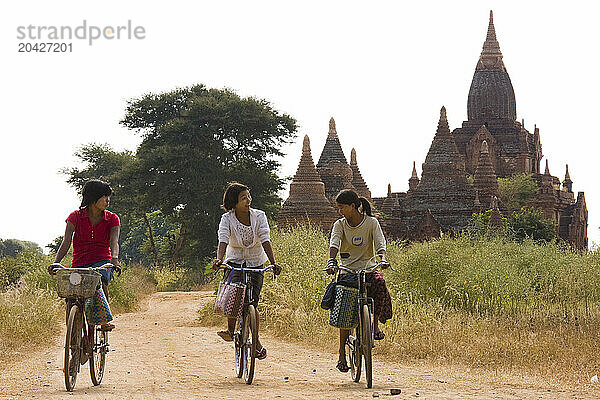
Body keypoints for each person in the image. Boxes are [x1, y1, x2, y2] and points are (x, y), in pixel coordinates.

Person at [212, 182, 281, 361]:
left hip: (256, 262)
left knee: (252, 304)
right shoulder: (227, 219)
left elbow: (265, 239)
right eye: (244, 198)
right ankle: (230, 329)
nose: (248, 200)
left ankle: (255, 341)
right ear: (234, 202)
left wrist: (273, 263)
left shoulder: (259, 216)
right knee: (234, 295)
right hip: (234, 262)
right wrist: (219, 259)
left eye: (249, 197)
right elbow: (223, 240)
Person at [326, 189, 393, 373]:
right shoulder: (340, 225)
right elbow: (334, 243)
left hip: (369, 268)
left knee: (380, 283)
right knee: (345, 311)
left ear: (352, 206)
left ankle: (375, 326)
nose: (340, 211)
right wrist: (332, 261)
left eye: (342, 207)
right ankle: (341, 354)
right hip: (348, 269)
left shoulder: (371, 223)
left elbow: (380, 243)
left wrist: (383, 259)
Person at [49, 180, 121, 333]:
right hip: (79, 263)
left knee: (101, 281)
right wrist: (56, 263)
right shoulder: (75, 217)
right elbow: (66, 242)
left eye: (109, 197)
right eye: (104, 197)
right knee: (71, 294)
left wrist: (114, 260)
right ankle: (73, 331)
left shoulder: (112, 219)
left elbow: (114, 242)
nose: (108, 200)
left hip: (102, 261)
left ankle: (103, 321)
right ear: (93, 198)